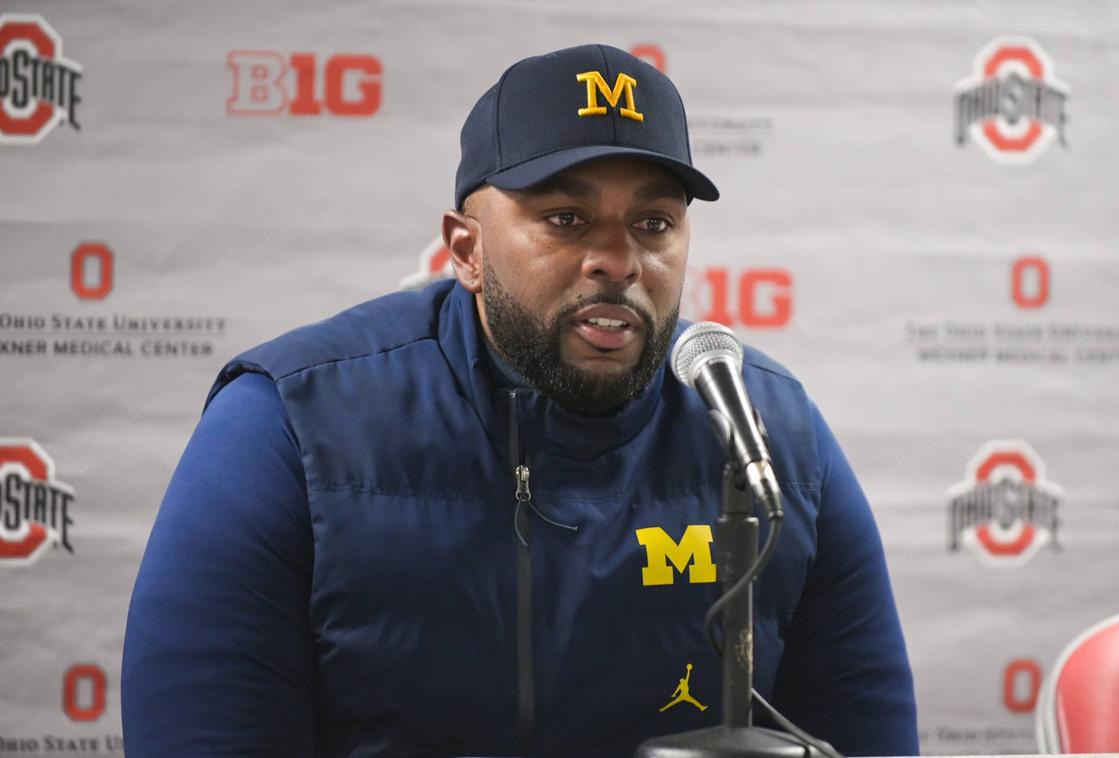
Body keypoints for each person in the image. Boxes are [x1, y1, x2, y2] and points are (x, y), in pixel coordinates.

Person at [122, 44, 918, 757]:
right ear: (466, 249)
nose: (617, 260)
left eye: (653, 223)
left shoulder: (772, 438)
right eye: (566, 219)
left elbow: (864, 737)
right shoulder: (289, 428)